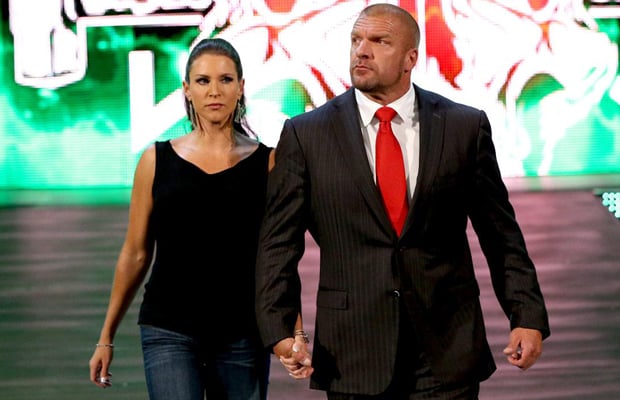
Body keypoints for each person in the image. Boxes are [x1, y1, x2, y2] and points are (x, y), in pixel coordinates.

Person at [255, 3, 550, 400]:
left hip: (447, 346)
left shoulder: (463, 127)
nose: (362, 51)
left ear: (411, 58)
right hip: (353, 351)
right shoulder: (306, 135)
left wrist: (526, 314)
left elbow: (501, 235)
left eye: (380, 41)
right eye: (356, 40)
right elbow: (279, 243)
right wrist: (281, 330)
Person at [88, 37, 285, 400]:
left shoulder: (269, 163)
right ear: (187, 89)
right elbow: (135, 253)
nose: (214, 91)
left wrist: (292, 332)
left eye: (225, 80)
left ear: (241, 87)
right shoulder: (156, 160)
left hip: (243, 331)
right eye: (203, 80)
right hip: (169, 328)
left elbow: (278, 256)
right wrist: (106, 336)